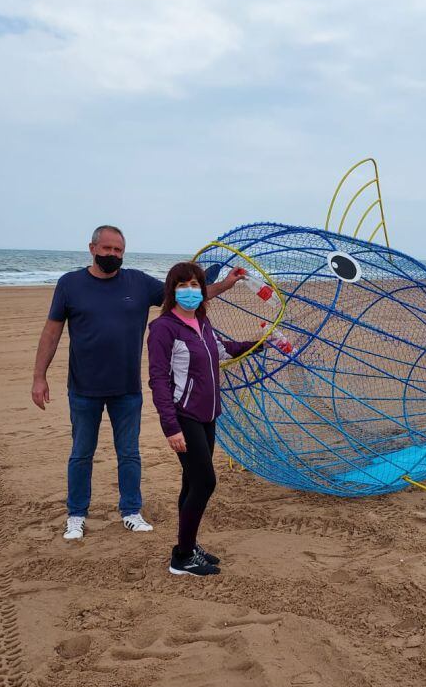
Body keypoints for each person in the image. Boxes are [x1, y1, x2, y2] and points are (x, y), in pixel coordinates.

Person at [31, 225, 242, 540]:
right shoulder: (70, 284)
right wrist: (39, 376)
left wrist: (225, 283)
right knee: (81, 453)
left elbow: (187, 298)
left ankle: (131, 511)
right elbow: (52, 332)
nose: (113, 255)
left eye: (118, 250)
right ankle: (76, 515)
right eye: (107, 250)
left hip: (127, 390)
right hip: (83, 389)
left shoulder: (138, 283)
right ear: (92, 248)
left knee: (129, 453)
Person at [146, 262, 260, 577]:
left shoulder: (202, 322)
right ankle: (182, 558)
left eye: (196, 285)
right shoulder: (163, 328)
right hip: (184, 417)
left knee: (192, 481)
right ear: (172, 290)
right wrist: (170, 427)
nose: (191, 291)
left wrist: (260, 343)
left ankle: (186, 546)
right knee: (206, 482)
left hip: (208, 415)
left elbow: (224, 351)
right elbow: (158, 380)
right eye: (183, 285)